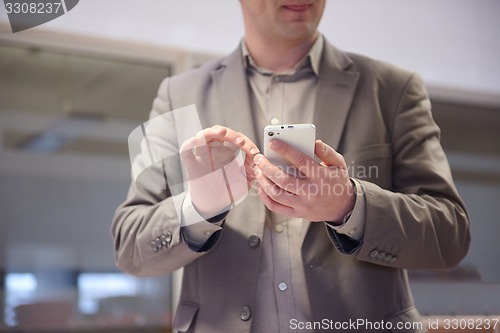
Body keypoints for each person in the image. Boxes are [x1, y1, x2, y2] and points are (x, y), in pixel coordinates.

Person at [112, 1, 471, 332]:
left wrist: (348, 205)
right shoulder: (179, 94)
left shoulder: (393, 89)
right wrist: (198, 209)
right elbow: (131, 247)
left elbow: (450, 235)